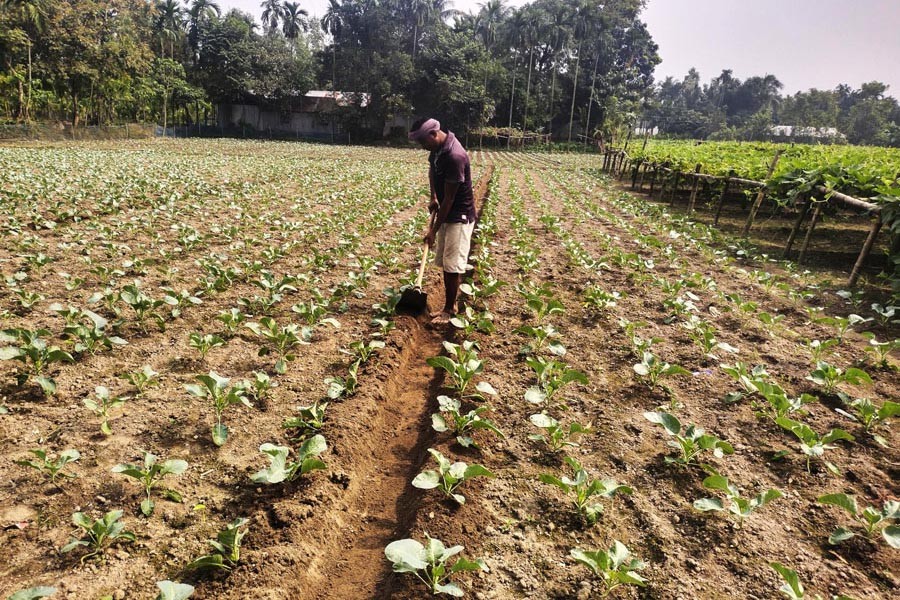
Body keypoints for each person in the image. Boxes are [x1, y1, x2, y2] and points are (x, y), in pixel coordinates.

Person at [408, 118, 477, 326]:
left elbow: (450, 200)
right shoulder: (437, 150)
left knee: (452, 265)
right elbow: (432, 169)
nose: (423, 147)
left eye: (423, 141)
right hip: (447, 211)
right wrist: (432, 196)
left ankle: (450, 309)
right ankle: (448, 305)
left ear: (434, 134)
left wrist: (434, 230)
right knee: (445, 262)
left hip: (459, 216)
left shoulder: (455, 156)